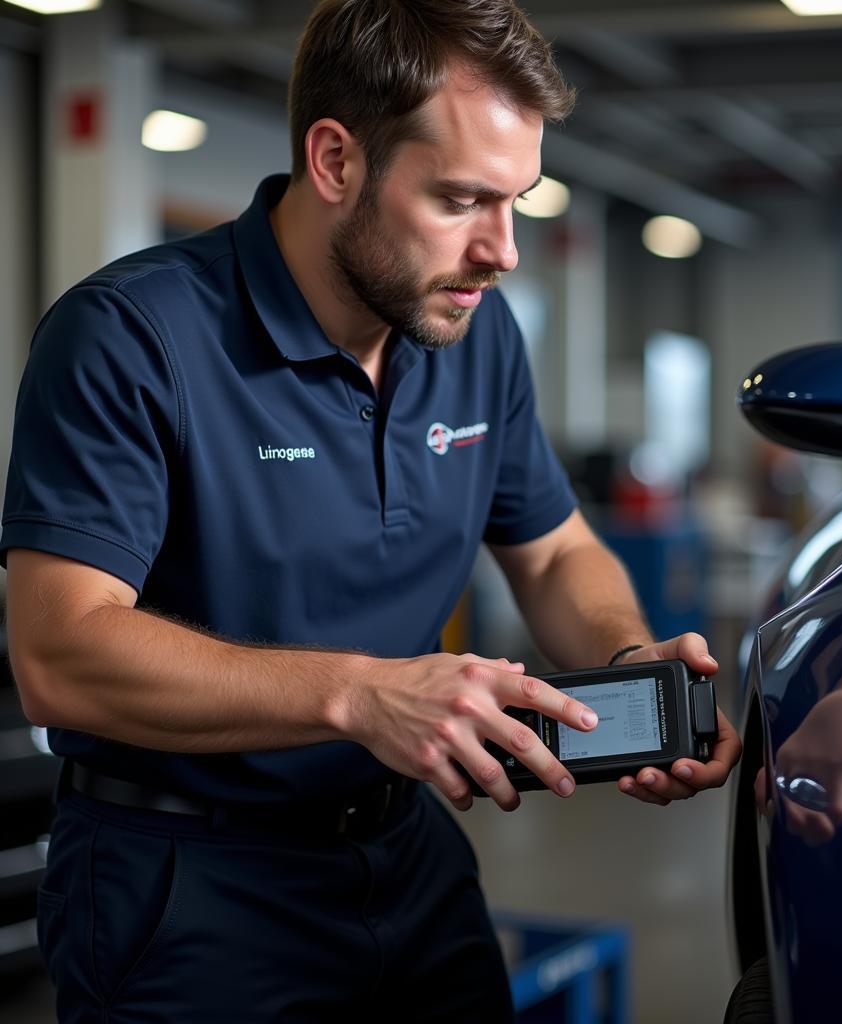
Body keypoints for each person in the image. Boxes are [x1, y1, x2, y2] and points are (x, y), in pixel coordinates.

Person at [2, 1, 741, 1021]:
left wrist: (625, 664)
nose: (504, 250)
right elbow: (58, 654)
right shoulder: (131, 337)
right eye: (462, 199)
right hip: (187, 883)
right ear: (336, 160)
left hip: (406, 855)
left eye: (518, 200)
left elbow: (556, 548)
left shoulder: (471, 333)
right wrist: (359, 693)